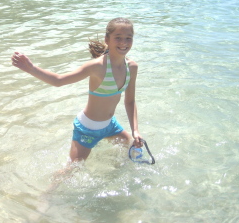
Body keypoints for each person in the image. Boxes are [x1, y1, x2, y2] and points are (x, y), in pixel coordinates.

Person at [11, 17, 143, 163]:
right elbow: (59, 80)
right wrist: (31, 69)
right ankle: (48, 187)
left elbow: (130, 101)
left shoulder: (132, 67)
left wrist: (135, 130)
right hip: (88, 129)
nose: (124, 42)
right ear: (107, 39)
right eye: (118, 37)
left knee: (133, 150)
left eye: (128, 38)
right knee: (71, 171)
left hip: (110, 125)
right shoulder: (97, 67)